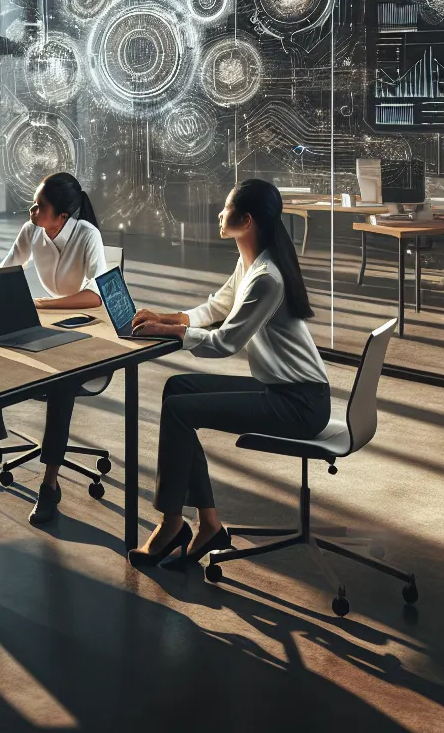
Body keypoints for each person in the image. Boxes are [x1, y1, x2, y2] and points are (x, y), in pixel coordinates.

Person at [126, 178, 331, 571]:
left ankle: (171, 522)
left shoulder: (268, 278)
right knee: (177, 389)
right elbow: (215, 307)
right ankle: (209, 524)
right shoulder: (251, 262)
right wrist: (164, 317)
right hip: (284, 389)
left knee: (180, 412)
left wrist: (172, 332)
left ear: (247, 220)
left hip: (300, 403)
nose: (220, 214)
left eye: (226, 208)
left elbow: (226, 342)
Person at [0, 173, 111, 526]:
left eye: (40, 206)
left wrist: (42, 304)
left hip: (88, 342)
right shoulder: (33, 230)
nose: (32, 209)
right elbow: (7, 269)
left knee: (62, 383)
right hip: (46, 333)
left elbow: (97, 295)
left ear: (62, 217)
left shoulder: (88, 236)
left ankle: (49, 484)